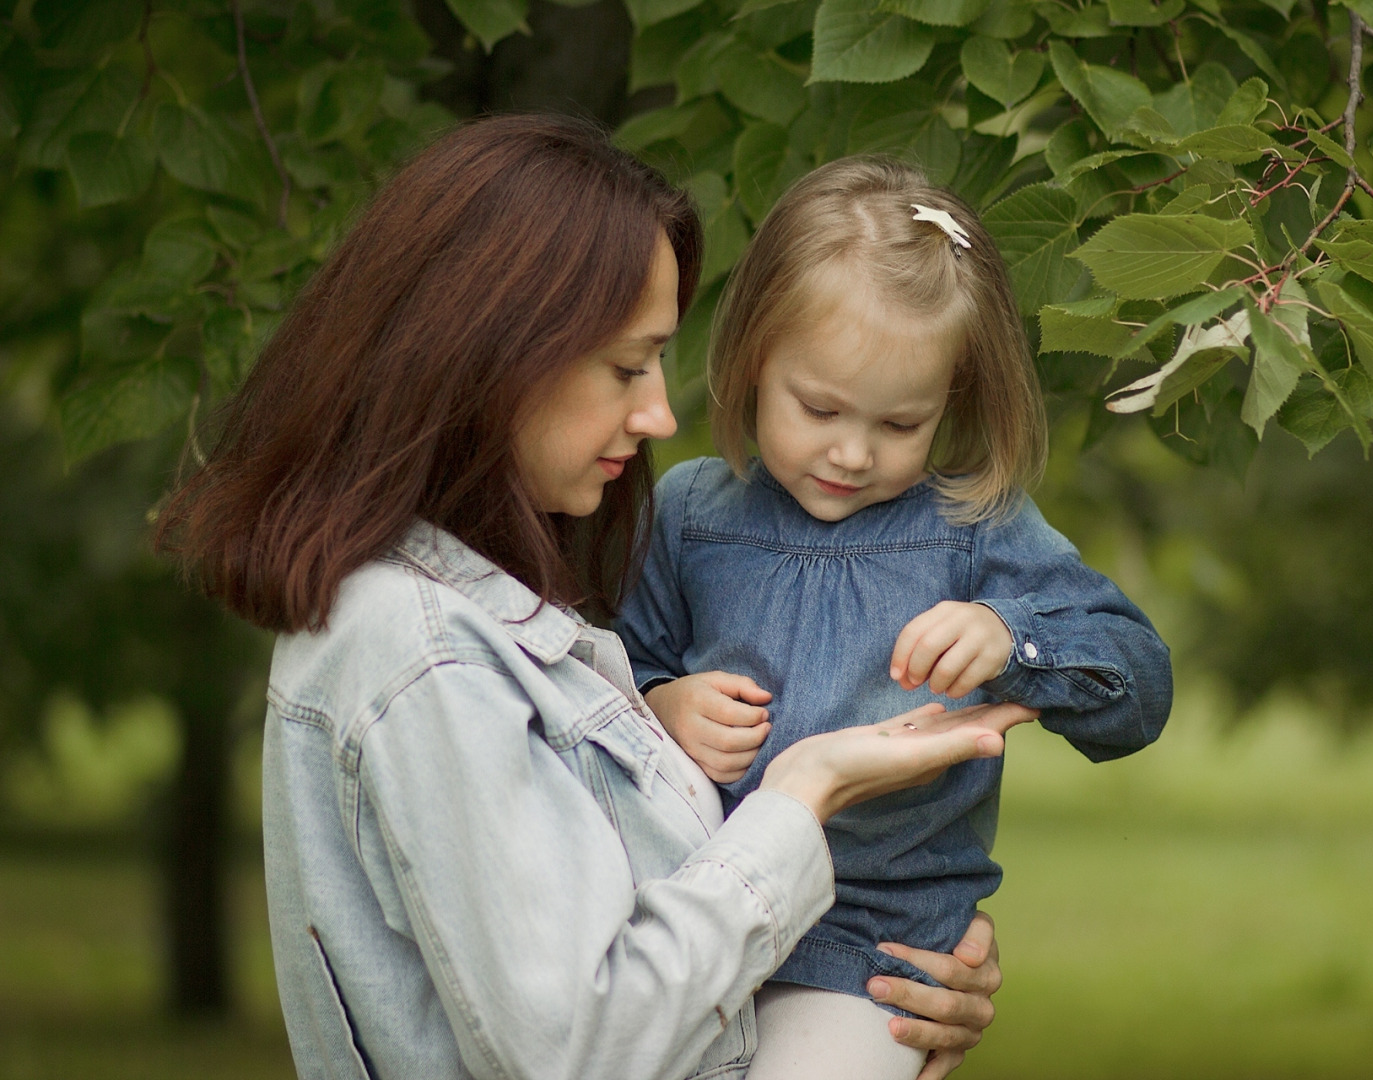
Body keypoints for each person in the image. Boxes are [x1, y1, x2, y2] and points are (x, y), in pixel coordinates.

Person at [152, 116, 1027, 1080]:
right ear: (489, 352)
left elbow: (624, 931)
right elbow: (581, 1050)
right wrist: (800, 799)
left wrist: (873, 988)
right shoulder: (426, 655)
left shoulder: (487, 606)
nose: (660, 413)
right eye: (626, 366)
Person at [616, 158, 1175, 1080]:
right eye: (820, 407)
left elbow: (1138, 684)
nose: (851, 452)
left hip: (874, 955)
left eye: (899, 424)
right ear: (754, 358)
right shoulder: (689, 514)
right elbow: (611, 675)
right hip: (693, 922)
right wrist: (666, 704)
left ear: (948, 402)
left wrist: (1010, 637)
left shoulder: (970, 531)